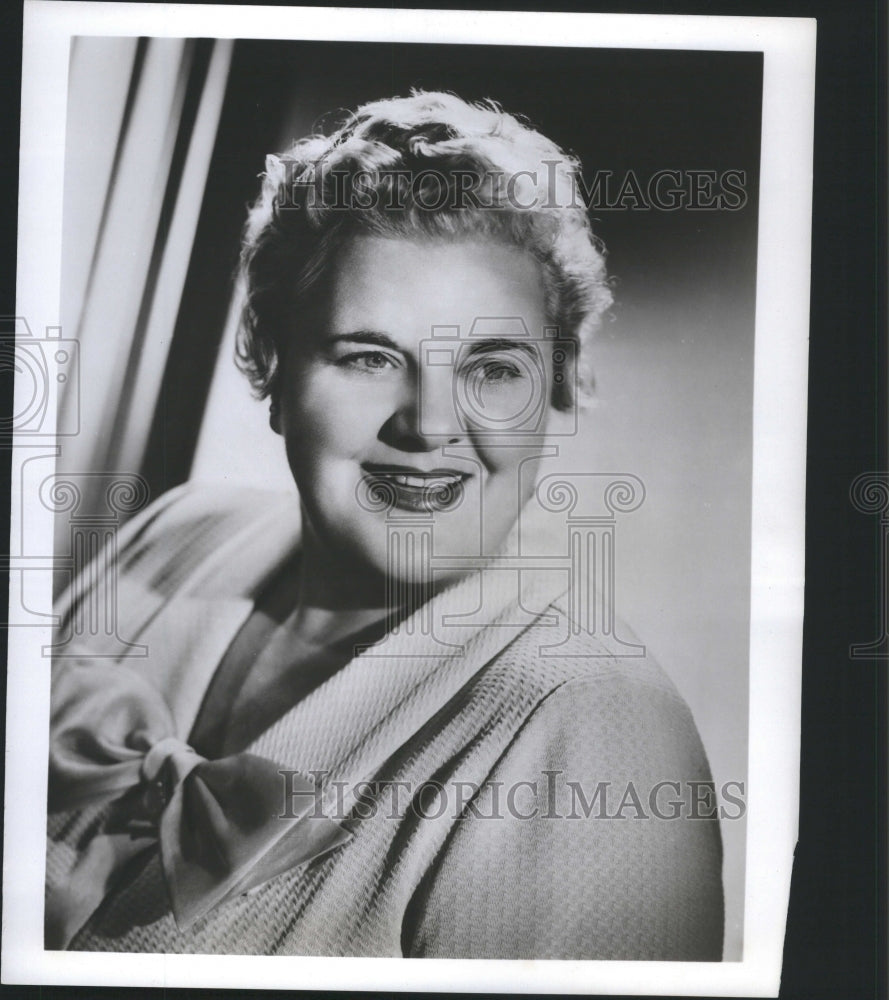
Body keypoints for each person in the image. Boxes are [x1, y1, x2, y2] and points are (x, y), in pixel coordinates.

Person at [45, 91, 724, 958]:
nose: (430, 425)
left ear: (561, 387)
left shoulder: (593, 727)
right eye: (369, 356)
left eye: (491, 366)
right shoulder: (172, 538)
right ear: (269, 362)